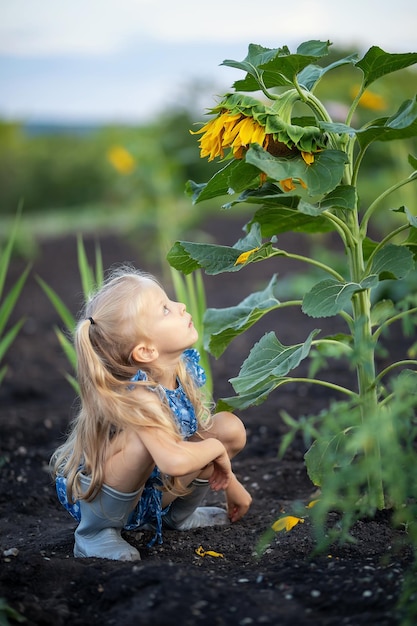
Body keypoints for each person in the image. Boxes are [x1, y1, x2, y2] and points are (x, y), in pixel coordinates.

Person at [50, 265, 252, 561]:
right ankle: (94, 534)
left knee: (227, 428)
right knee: (146, 443)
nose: (181, 306)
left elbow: (192, 444)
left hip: (151, 490)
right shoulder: (140, 396)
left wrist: (229, 478)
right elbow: (173, 460)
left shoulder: (181, 370)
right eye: (166, 310)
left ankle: (177, 517)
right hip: (101, 498)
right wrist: (215, 449)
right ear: (146, 352)